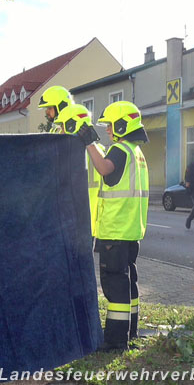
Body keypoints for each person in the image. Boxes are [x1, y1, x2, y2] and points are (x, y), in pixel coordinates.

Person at [78, 101, 149, 351]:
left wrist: (88, 143)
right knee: (129, 282)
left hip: (115, 231)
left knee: (115, 284)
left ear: (122, 125)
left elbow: (104, 169)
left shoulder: (119, 149)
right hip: (131, 231)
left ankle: (116, 340)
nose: (108, 130)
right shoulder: (136, 152)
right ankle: (131, 331)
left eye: (110, 125)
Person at [52, 104, 105, 236]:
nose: (60, 132)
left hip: (73, 223)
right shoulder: (99, 151)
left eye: (62, 127)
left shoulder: (71, 153)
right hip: (93, 224)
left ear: (72, 126)